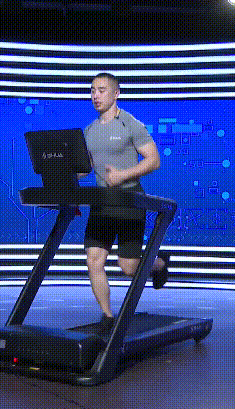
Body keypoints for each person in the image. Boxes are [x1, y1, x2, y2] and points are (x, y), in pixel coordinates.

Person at [80, 72, 170, 335]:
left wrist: (122, 176)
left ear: (116, 93)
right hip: (102, 204)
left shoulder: (130, 124)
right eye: (92, 90)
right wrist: (63, 171)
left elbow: (154, 160)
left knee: (128, 267)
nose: (95, 95)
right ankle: (107, 317)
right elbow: (86, 167)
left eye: (101, 90)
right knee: (94, 260)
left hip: (130, 202)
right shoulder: (89, 130)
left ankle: (159, 264)